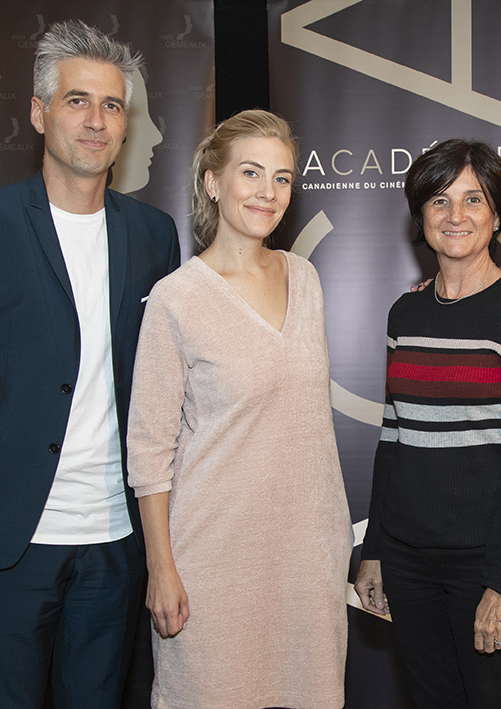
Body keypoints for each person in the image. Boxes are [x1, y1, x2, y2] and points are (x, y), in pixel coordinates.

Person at [0, 20, 180, 708]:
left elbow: (163, 380)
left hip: (115, 542)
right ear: (38, 112)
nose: (96, 120)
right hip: (5, 540)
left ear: (126, 123)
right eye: (77, 100)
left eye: (111, 105)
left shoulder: (154, 235)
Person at [126, 109, 352, 708]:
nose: (267, 192)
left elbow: (308, 425)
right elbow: (149, 448)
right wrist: (160, 567)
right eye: (250, 172)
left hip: (307, 555)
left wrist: (333, 542)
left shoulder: (306, 279)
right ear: (212, 181)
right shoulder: (176, 299)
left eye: (282, 178)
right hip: (212, 559)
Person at [354, 139, 501, 708]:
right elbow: (392, 439)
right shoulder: (406, 312)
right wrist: (375, 548)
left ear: (496, 215)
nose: (456, 215)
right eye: (440, 200)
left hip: (485, 563)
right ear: (420, 214)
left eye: (474, 199)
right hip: (407, 560)